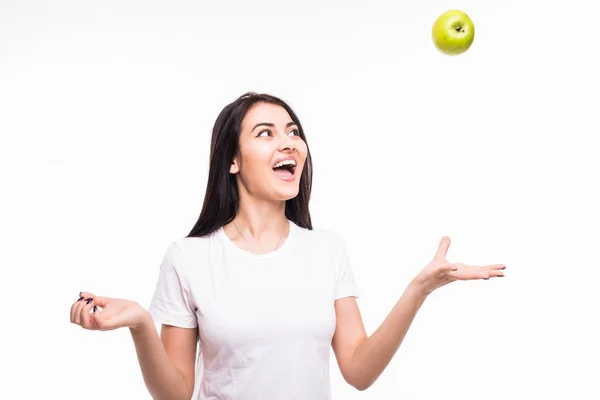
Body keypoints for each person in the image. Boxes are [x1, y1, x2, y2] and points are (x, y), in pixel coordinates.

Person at [69, 92, 506, 400]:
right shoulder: (190, 258)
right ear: (232, 161)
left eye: (293, 131)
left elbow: (359, 370)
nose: (288, 142)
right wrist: (142, 325)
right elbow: (175, 393)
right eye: (266, 133)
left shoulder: (327, 251)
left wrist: (419, 290)